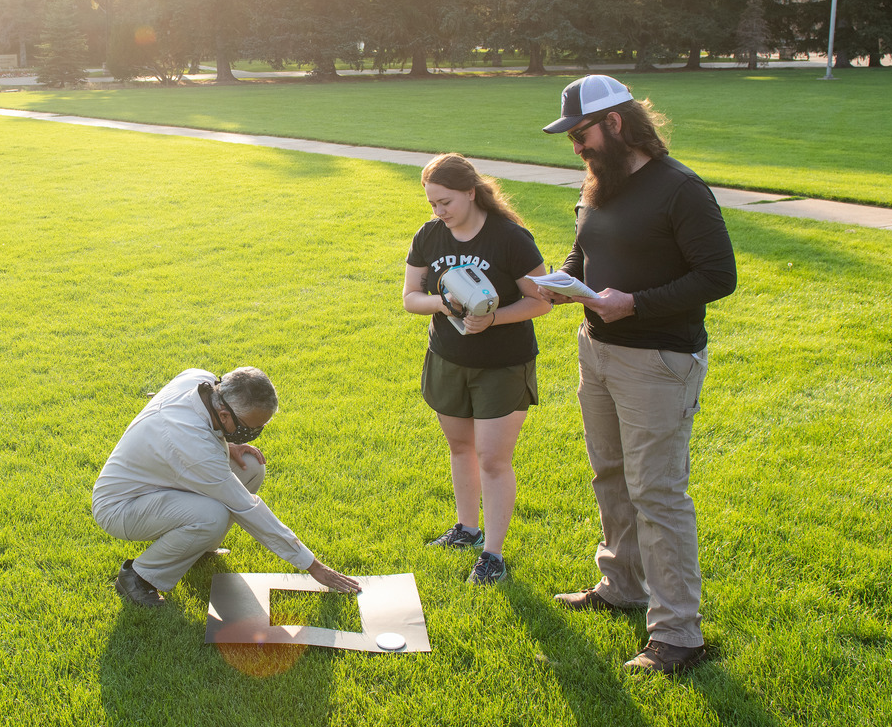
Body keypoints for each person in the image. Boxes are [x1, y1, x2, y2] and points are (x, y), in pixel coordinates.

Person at [539, 74, 737, 674]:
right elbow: (585, 252)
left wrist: (636, 303)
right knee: (611, 474)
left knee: (657, 491)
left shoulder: (681, 190)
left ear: (617, 123)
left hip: (656, 360)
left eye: (582, 133)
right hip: (597, 350)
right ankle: (621, 586)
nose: (577, 146)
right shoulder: (601, 184)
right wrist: (562, 282)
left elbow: (718, 276)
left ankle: (680, 634)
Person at [403, 154, 552, 586]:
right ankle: (467, 529)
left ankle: (493, 556)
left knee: (492, 459)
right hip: (448, 359)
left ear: (471, 192)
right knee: (460, 449)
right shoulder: (430, 236)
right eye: (432, 203)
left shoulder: (510, 238)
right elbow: (411, 296)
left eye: (445, 202)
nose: (438, 212)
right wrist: (441, 303)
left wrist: (492, 318)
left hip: (502, 364)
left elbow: (541, 300)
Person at [92, 366, 361, 606]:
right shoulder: (196, 449)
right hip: (121, 506)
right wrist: (312, 565)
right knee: (212, 516)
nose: (254, 434)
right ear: (224, 414)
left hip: (165, 481)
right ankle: (139, 576)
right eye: (250, 428)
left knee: (250, 467)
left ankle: (195, 548)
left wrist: (230, 444)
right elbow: (247, 508)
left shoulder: (202, 380)